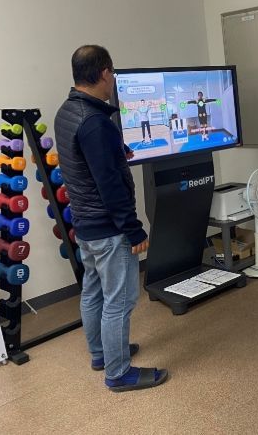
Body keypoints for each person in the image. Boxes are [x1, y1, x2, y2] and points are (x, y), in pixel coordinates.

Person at [54, 45, 168, 392]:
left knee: (93, 291)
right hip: (108, 228)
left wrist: (116, 152)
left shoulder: (67, 112)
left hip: (85, 225)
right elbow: (108, 184)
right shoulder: (95, 122)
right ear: (104, 73)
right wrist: (133, 229)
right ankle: (118, 373)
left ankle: (102, 353)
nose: (114, 80)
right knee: (119, 299)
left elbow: (84, 162)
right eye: (113, 73)